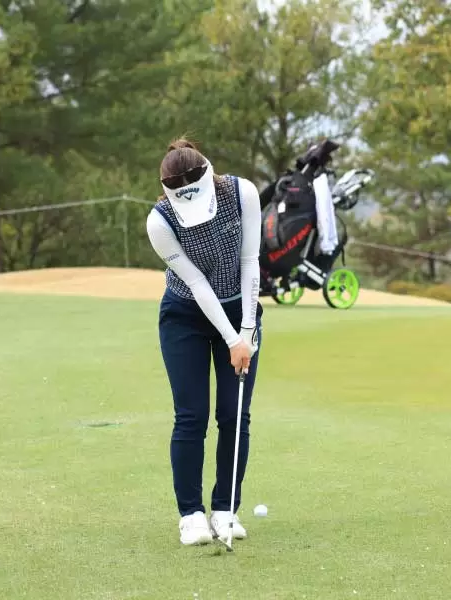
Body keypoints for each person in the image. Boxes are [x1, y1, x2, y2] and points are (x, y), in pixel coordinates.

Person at [146, 137, 263, 546]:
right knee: (191, 416)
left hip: (239, 308)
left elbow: (250, 262)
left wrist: (245, 331)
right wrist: (233, 339)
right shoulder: (159, 222)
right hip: (185, 316)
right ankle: (191, 515)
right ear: (167, 192)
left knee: (234, 415)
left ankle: (225, 510)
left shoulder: (242, 193)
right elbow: (196, 283)